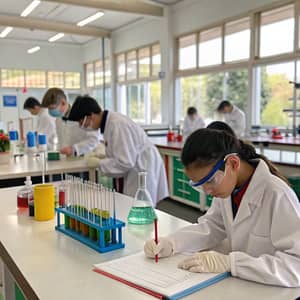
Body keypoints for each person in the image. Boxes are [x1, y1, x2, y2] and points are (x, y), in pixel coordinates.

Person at [144, 128, 300, 287]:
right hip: (242, 286)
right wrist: (172, 243)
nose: (208, 191)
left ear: (233, 163)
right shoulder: (228, 187)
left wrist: (232, 263)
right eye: (200, 185)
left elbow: (296, 267)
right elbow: (211, 227)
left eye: (210, 181)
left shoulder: (278, 195)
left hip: (274, 291)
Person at [67, 95, 169, 206]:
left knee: (141, 208)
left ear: (91, 116)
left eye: (82, 122)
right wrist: (105, 158)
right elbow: (121, 153)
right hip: (138, 166)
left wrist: (100, 163)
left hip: (142, 166)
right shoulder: (109, 123)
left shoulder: (116, 124)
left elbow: (125, 162)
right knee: (135, 206)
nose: (83, 126)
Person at [41, 88, 99, 156]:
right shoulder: (58, 120)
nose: (50, 111)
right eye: (49, 109)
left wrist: (75, 149)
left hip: (83, 158)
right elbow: (61, 141)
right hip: (66, 159)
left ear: (63, 103)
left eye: (52, 108)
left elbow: (94, 140)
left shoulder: (82, 116)